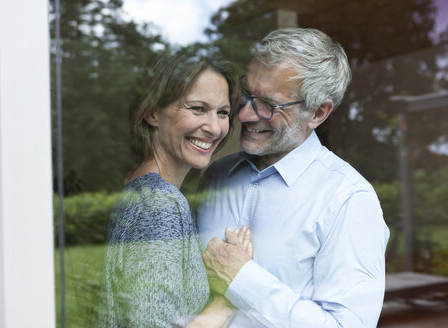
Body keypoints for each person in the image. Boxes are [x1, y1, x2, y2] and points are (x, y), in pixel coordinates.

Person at [197, 28, 390, 327]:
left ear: (318, 112)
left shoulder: (349, 201)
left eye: (268, 105)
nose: (245, 115)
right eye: (246, 95)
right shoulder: (217, 175)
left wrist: (241, 279)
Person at [99, 54, 252, 328]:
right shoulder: (161, 204)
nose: (214, 127)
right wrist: (231, 293)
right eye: (197, 108)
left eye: (223, 112)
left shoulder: (137, 186)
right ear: (153, 113)